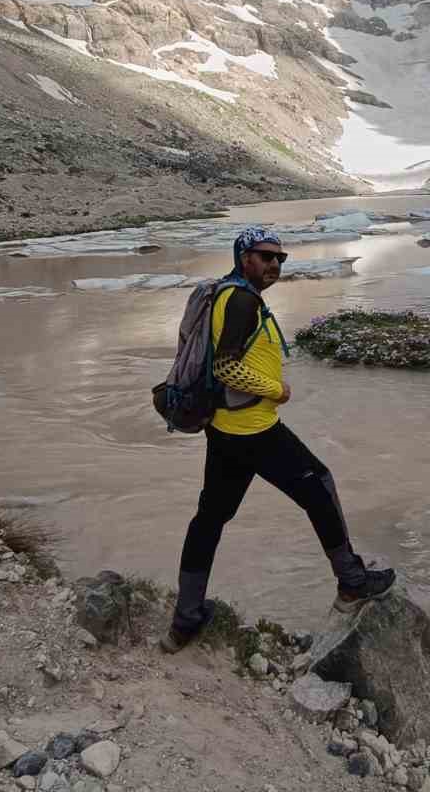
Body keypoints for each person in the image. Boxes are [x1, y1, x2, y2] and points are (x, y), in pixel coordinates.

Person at [161, 225, 395, 652]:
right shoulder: (243, 301)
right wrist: (278, 390)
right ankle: (352, 581)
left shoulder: (229, 294)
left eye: (279, 258)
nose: (273, 264)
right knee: (319, 485)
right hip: (254, 430)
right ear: (243, 257)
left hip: (227, 431)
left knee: (209, 521)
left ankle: (185, 619)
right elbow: (227, 368)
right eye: (265, 256)